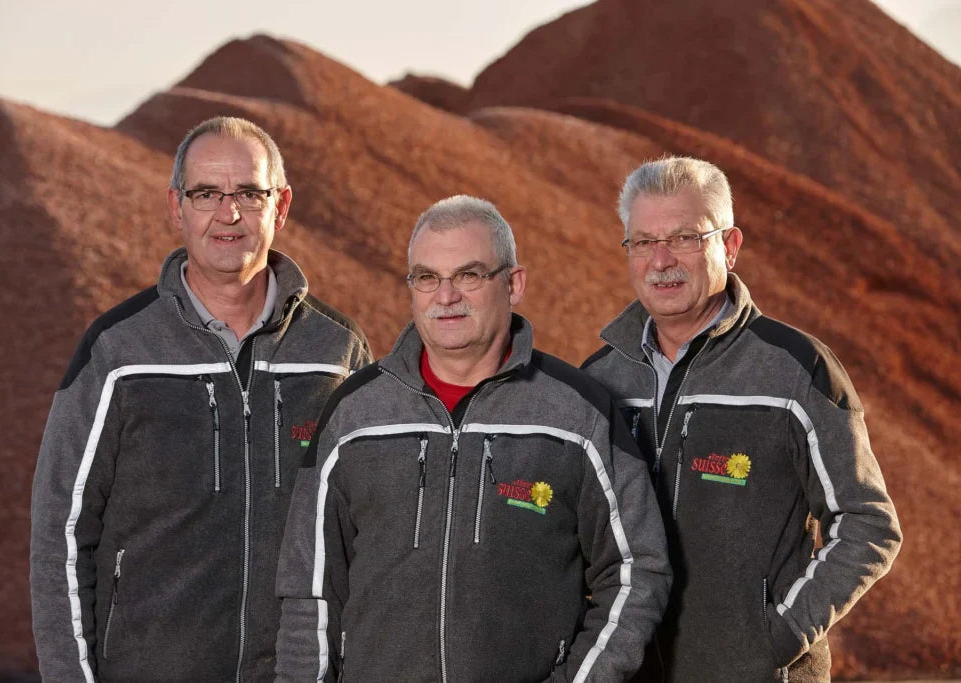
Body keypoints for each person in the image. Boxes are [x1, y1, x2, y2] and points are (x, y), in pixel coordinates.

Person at [273, 195, 671, 682]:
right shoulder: (354, 413)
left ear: (513, 284)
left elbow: (636, 571)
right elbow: (309, 589)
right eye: (427, 277)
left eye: (469, 275)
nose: (445, 297)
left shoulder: (579, 413)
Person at [30, 116, 371, 682]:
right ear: (177, 207)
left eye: (249, 194)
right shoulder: (118, 351)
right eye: (206, 193)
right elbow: (59, 538)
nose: (227, 214)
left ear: (281, 206)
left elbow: (370, 533)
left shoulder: (337, 352)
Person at [582, 157, 902, 681]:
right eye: (643, 242)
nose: (661, 260)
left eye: (684, 238)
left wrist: (776, 636)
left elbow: (868, 523)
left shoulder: (796, 369)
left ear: (729, 247)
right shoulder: (599, 378)